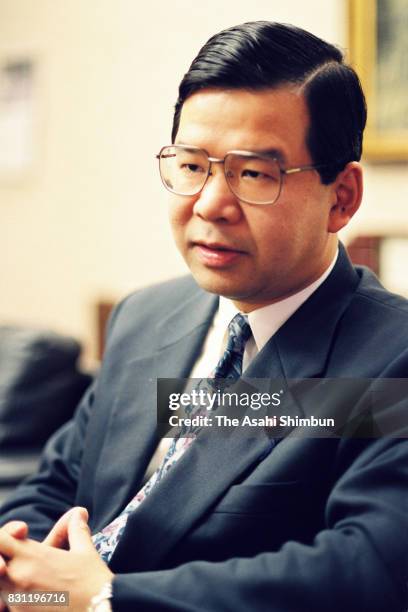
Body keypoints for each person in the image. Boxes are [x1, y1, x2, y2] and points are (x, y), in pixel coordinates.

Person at [0, 20, 407, 612]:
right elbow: (57, 484)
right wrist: (23, 576)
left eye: (254, 174)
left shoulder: (388, 359)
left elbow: (365, 570)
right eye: (192, 166)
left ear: (340, 197)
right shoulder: (146, 316)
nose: (212, 205)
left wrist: (101, 598)